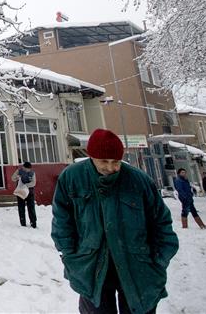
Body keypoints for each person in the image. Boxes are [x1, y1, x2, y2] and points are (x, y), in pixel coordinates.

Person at [52, 128, 178, 314]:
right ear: (91, 156)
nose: (110, 167)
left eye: (116, 162)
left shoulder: (139, 181)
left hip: (138, 267)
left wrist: (158, 261)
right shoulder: (72, 178)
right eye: (104, 161)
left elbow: (161, 223)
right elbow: (62, 222)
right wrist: (70, 256)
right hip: (91, 267)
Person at [11, 161, 37, 228]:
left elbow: (33, 183)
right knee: (21, 208)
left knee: (31, 208)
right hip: (20, 193)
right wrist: (16, 177)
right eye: (26, 168)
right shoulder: (18, 171)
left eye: (28, 169)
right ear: (23, 167)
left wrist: (25, 185)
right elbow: (12, 178)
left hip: (29, 192)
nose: (27, 170)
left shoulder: (32, 173)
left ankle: (33, 223)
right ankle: (23, 223)